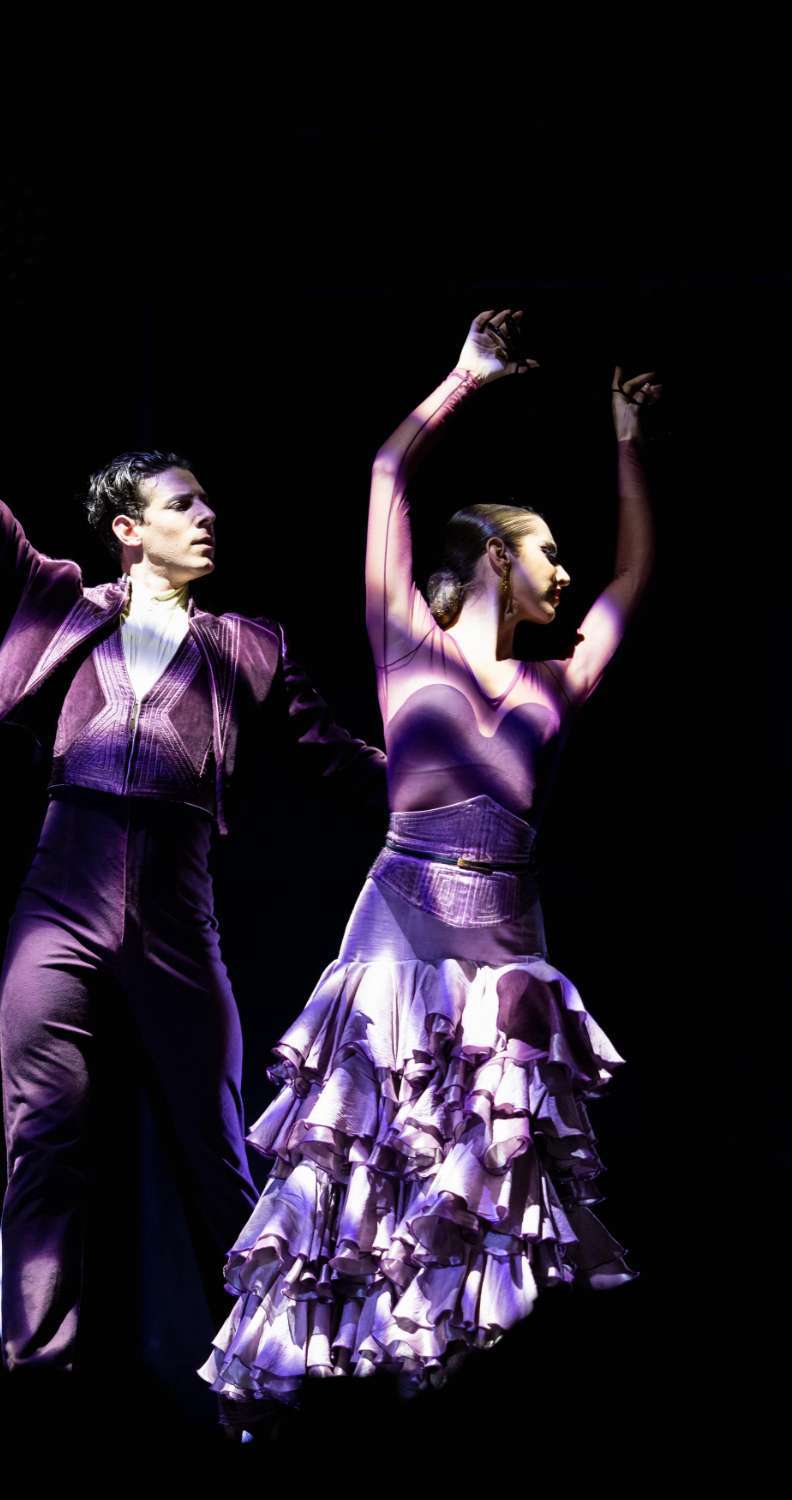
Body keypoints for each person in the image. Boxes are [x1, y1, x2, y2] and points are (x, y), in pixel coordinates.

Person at [0, 260, 386, 1380]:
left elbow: (334, 761)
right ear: (128, 530)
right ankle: (36, 1367)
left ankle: (264, 1360)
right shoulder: (60, 596)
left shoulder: (250, 645)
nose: (208, 517)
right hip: (59, 889)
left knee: (213, 1149)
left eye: (206, 503)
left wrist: (445, 787)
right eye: (183, 503)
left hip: (175, 897)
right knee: (43, 1140)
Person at [199, 308, 656, 1438]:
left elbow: (636, 578)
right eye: (548, 548)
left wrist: (625, 443)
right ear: (495, 556)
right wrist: (463, 379)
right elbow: (387, 471)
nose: (564, 569)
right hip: (401, 934)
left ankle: (467, 1406)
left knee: (485, 1187)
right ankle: (340, 1395)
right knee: (369, 1163)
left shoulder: (555, 684)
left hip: (505, 949)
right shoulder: (406, 638)